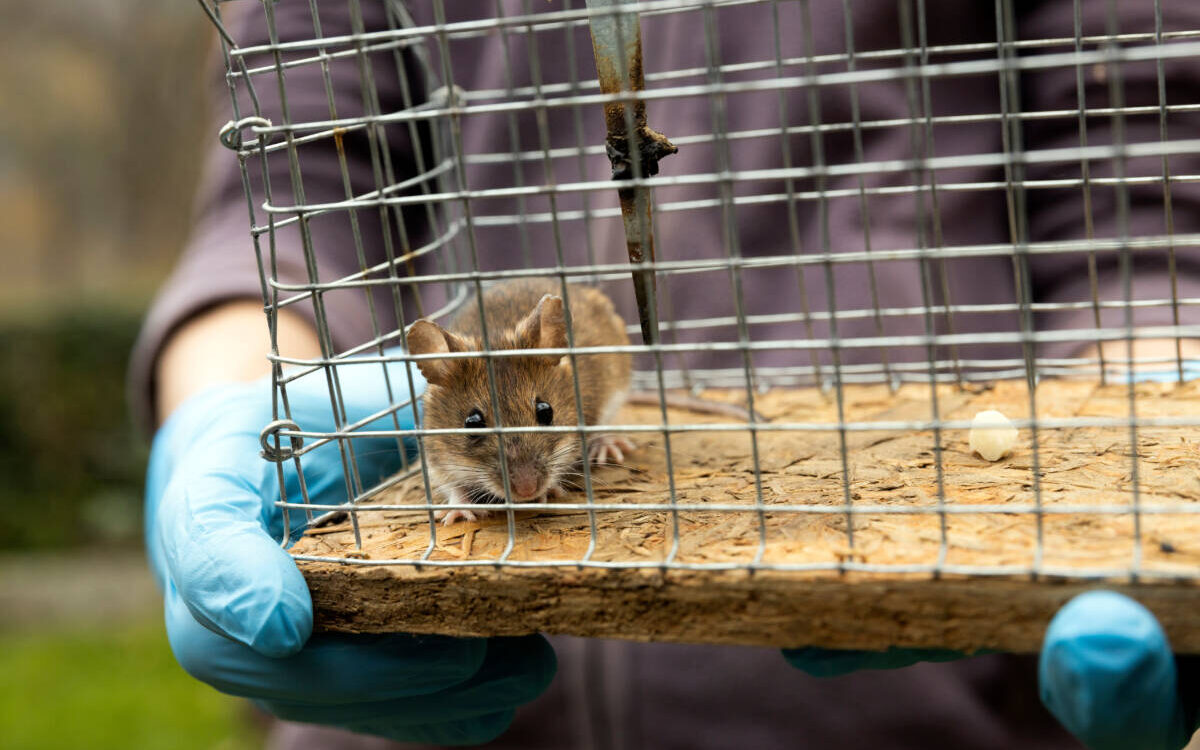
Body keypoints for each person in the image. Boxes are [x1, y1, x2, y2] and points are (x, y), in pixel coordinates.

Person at [134, 1, 1200, 748]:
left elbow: (1143, 176)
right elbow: (294, 175)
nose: (520, 475)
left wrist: (1159, 446)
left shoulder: (576, 356)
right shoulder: (457, 394)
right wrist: (244, 400)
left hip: (947, 714)